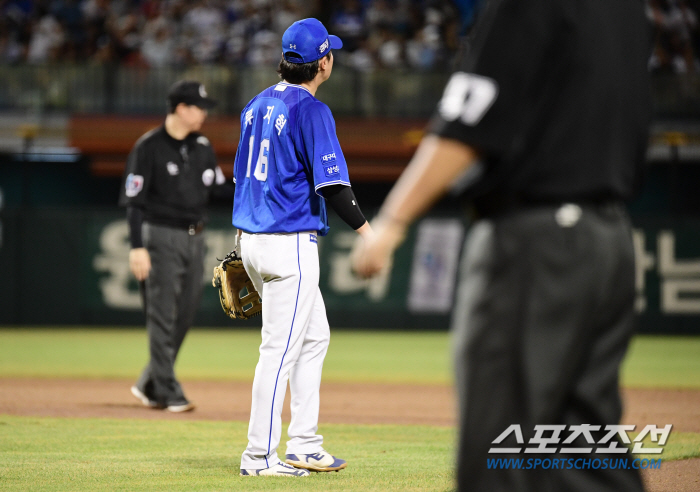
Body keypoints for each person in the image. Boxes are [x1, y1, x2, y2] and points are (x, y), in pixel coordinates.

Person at [352, 1, 651, 491]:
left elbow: (467, 123)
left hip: (538, 244)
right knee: (583, 448)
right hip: (609, 239)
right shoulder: (627, 11)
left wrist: (393, 219)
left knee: (501, 452)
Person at [232, 18, 374, 477]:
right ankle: (259, 458)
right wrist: (370, 235)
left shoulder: (255, 105)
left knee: (314, 338)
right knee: (278, 353)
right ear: (323, 63)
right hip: (288, 242)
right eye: (329, 53)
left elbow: (240, 178)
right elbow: (332, 185)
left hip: (251, 238)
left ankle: (306, 445)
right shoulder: (312, 110)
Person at [119, 80, 226, 413]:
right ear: (181, 108)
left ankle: (149, 381)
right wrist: (137, 247)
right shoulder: (148, 146)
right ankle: (167, 390)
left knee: (185, 313)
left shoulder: (202, 146)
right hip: (160, 235)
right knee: (163, 314)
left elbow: (221, 190)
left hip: (196, 236)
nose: (204, 114)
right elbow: (134, 202)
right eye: (199, 107)